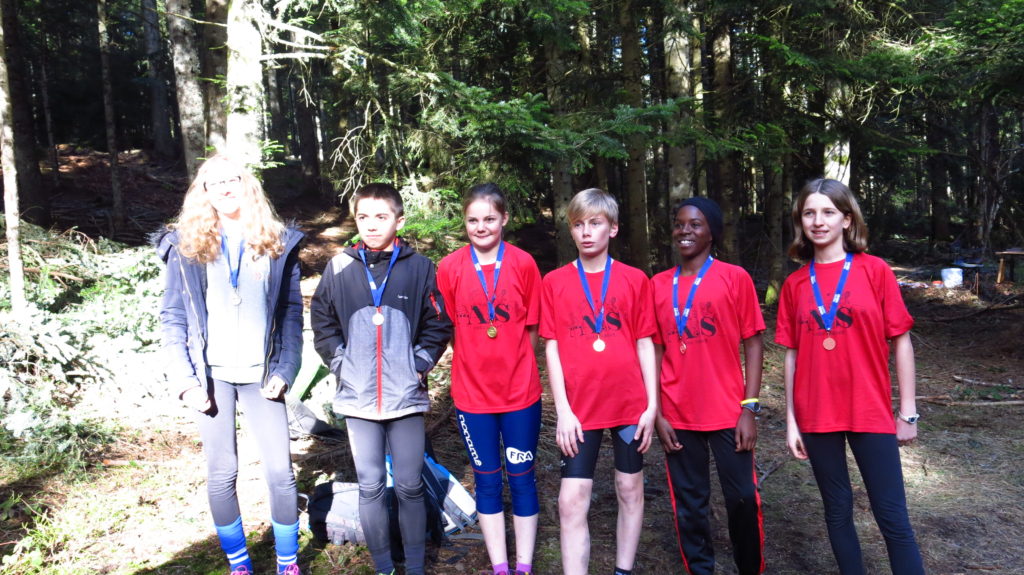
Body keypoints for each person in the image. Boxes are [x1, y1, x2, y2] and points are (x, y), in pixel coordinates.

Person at [156, 154, 304, 575]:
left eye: (232, 179)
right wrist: (185, 380)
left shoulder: (276, 241)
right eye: (214, 183)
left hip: (262, 376)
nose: (224, 188)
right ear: (203, 192)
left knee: (281, 472)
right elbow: (173, 316)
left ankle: (287, 564)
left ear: (247, 184)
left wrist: (285, 369)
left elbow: (291, 313)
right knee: (222, 472)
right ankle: (239, 565)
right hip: (211, 378)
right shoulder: (186, 245)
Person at [776, 178, 925, 575]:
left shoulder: (875, 271)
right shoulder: (794, 284)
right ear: (800, 221)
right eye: (809, 213)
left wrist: (908, 412)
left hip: (868, 408)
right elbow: (791, 354)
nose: (818, 221)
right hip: (816, 412)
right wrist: (791, 421)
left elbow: (901, 340)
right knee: (837, 510)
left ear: (846, 219)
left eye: (828, 212)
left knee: (892, 515)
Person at [310, 183, 452, 575]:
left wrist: (417, 365)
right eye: (363, 217)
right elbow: (321, 321)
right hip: (358, 398)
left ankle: (416, 567)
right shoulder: (340, 268)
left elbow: (438, 324)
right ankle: (384, 566)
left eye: (381, 217)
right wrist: (342, 365)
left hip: (404, 397)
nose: (372, 225)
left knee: (409, 485)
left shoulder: (420, 268)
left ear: (398, 221)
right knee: (370, 485)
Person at [540, 188, 659, 575]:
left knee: (630, 488)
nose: (587, 232)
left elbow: (645, 342)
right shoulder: (554, 282)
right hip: (580, 409)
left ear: (613, 228)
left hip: (628, 405)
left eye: (595, 223)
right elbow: (552, 348)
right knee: (571, 500)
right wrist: (563, 411)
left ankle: (623, 570)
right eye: (578, 225)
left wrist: (651, 406)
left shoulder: (635, 279)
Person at [652, 197, 766, 575]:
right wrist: (657, 414)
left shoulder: (734, 278)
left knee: (743, 498)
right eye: (679, 223)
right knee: (690, 503)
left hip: (728, 411)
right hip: (677, 411)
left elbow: (753, 342)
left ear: (712, 232)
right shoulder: (657, 285)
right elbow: (654, 351)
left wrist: (749, 408)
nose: (685, 231)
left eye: (695, 224)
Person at [436, 183, 543, 575]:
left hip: (520, 395)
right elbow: (449, 327)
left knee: (522, 479)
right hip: (472, 397)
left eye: (489, 219)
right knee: (487, 482)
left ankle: (524, 565)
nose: (481, 227)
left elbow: (532, 327)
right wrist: (473, 359)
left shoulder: (524, 264)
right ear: (465, 221)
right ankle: (500, 566)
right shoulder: (449, 268)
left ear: (504, 219)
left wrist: (514, 363)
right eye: (473, 220)